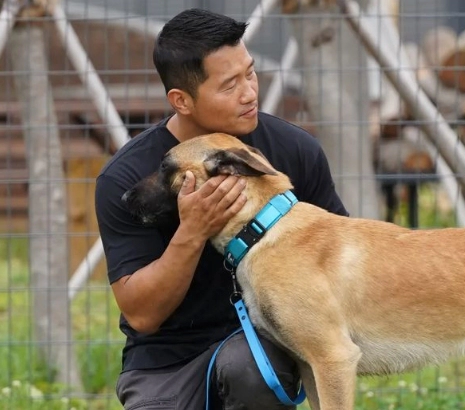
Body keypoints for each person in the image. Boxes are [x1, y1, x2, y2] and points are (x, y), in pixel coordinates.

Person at [95, 7, 349, 410]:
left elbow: (339, 267)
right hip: (167, 362)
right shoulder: (127, 179)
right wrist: (193, 231)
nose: (249, 92)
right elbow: (142, 316)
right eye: (229, 85)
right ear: (181, 100)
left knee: (252, 371)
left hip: (262, 345)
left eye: (250, 73)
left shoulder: (295, 152)